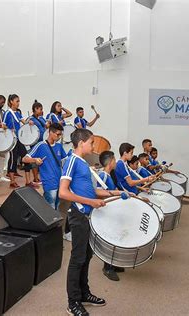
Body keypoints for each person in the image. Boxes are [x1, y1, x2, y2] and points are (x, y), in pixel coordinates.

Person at [59, 128, 126, 316]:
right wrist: (91, 203)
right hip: (79, 216)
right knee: (77, 259)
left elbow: (92, 192)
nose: (93, 146)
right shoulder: (72, 161)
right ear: (81, 143)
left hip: (88, 216)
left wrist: (115, 193)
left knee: (87, 257)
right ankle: (72, 302)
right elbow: (63, 192)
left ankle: (83, 293)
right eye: (91, 143)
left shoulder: (84, 164)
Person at [96, 151, 129, 282]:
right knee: (110, 239)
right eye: (114, 160)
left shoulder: (109, 175)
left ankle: (113, 264)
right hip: (106, 212)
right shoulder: (103, 175)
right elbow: (98, 193)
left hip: (113, 211)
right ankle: (107, 267)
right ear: (110, 162)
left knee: (116, 238)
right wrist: (115, 193)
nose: (116, 162)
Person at [22, 123, 65, 209]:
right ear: (50, 132)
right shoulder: (41, 145)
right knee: (50, 207)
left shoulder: (59, 146)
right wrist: (35, 160)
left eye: (61, 134)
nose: (59, 137)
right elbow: (24, 159)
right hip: (49, 182)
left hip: (60, 181)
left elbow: (65, 161)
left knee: (57, 206)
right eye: (58, 134)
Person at [3, 94, 35, 188]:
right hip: (12, 139)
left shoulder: (17, 113)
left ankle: (28, 181)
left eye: (19, 101)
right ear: (11, 101)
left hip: (19, 139)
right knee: (13, 159)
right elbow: (3, 125)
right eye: (17, 101)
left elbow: (24, 122)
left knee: (26, 157)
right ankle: (12, 181)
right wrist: (9, 129)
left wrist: (29, 122)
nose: (18, 103)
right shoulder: (7, 113)